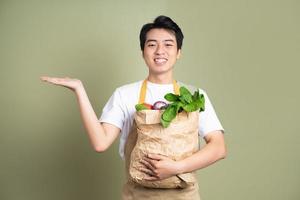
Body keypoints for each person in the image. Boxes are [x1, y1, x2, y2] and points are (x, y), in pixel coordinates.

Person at [40, 15, 226, 200]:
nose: (160, 50)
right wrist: (79, 90)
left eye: (168, 45)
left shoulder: (194, 96)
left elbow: (218, 148)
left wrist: (176, 168)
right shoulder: (125, 94)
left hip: (184, 196)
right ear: (142, 51)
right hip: (137, 195)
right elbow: (100, 142)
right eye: (152, 44)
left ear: (178, 52)